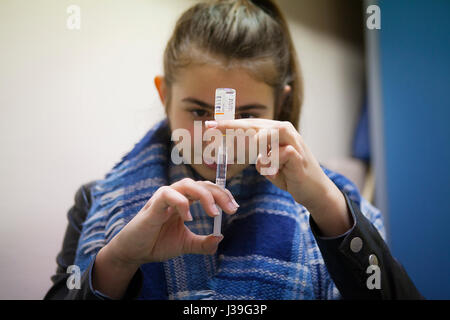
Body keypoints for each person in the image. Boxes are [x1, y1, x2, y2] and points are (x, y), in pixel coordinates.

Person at [44, 0, 422, 300]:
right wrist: (118, 262)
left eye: (247, 114)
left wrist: (329, 208)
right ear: (164, 95)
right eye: (197, 111)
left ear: (279, 105)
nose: (217, 137)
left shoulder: (339, 205)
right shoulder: (96, 201)